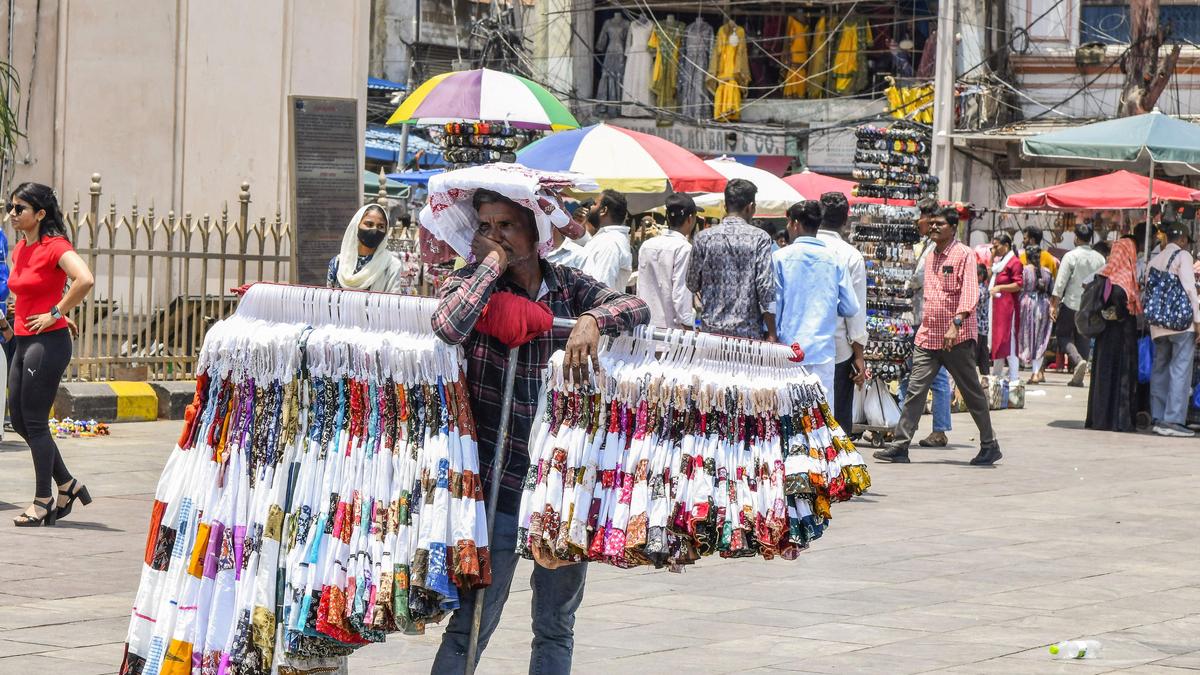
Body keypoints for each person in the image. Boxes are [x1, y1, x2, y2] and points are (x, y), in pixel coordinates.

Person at [431, 188, 650, 672]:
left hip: (560, 487)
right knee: (471, 625)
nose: (494, 236)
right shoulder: (470, 282)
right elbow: (448, 325)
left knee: (555, 625)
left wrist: (594, 318)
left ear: (537, 231)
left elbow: (636, 308)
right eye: (484, 227)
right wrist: (490, 267)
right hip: (498, 485)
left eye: (505, 226)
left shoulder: (571, 286)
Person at [874, 207, 1001, 465]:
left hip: (957, 338)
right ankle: (900, 445)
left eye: (939, 224)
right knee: (915, 391)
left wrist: (956, 324)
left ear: (953, 228)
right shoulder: (930, 255)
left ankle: (989, 444)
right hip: (928, 337)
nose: (933, 228)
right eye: (931, 224)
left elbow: (969, 293)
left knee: (972, 392)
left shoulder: (964, 254)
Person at [6, 183, 95, 526]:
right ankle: (68, 484)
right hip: (24, 340)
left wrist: (56, 313)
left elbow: (84, 279)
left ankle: (43, 500)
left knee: (36, 421)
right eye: (12, 208)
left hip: (48, 342)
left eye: (20, 209)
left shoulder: (54, 246)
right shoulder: (21, 251)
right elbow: (32, 290)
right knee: (18, 419)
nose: (12, 214)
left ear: (40, 214)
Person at [772, 200, 859, 395]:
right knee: (822, 419)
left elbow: (775, 306)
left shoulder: (780, 258)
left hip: (788, 351)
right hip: (823, 352)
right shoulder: (835, 258)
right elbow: (851, 307)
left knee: (790, 417)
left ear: (795, 223)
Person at [686, 178, 777, 339]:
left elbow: (692, 283)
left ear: (725, 206)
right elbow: (766, 289)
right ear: (750, 207)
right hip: (747, 334)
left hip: (711, 333)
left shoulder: (703, 238)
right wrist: (772, 331)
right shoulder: (760, 238)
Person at [814, 192, 867, 431]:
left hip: (797, 348)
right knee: (836, 424)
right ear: (845, 219)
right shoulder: (851, 256)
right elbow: (855, 312)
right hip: (837, 349)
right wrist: (859, 356)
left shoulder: (795, 252)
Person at [903, 197, 953, 448]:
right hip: (920, 316)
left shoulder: (937, 248)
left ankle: (940, 430)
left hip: (932, 319)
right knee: (909, 372)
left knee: (938, 377)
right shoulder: (926, 245)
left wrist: (904, 284)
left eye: (921, 219)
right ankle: (901, 425)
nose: (918, 223)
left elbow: (919, 277)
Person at [1147, 222, 1200, 437]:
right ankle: (1173, 420)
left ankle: (1158, 417)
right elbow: (1189, 288)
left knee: (1160, 369)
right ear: (1184, 240)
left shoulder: (1153, 260)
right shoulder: (1183, 256)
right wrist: (1198, 321)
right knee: (1180, 370)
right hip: (1181, 324)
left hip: (1158, 325)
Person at [1085, 236, 1142, 432]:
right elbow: (1121, 308)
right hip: (1121, 338)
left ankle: (1100, 418)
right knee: (1121, 378)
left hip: (1104, 337)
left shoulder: (1104, 275)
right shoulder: (1124, 279)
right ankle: (1118, 420)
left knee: (1103, 377)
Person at [1050, 222, 1106, 387]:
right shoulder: (1100, 258)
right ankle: (1079, 375)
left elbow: (1060, 282)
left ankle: (1078, 360)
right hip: (1091, 304)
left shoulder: (1071, 256)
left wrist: (1054, 303)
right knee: (1083, 337)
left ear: (1076, 238)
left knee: (1063, 335)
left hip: (1071, 302)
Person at [637, 193, 696, 330]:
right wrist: (687, 326)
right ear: (690, 219)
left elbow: (641, 287)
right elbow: (681, 293)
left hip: (645, 328)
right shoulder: (684, 249)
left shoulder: (647, 245)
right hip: (671, 333)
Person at [325, 204, 408, 292]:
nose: (375, 230)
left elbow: (392, 302)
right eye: (369, 224)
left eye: (380, 226)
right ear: (357, 225)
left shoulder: (391, 265)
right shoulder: (337, 263)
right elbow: (329, 300)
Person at [580, 189, 633, 289]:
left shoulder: (610, 243)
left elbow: (601, 288)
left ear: (603, 210)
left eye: (595, 204)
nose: (590, 207)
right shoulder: (607, 238)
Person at [989, 233, 1024, 382]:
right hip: (998, 308)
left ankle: (1014, 378)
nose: (994, 249)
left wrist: (1000, 287)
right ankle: (996, 376)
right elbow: (990, 272)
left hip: (1008, 309)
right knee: (998, 341)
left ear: (1006, 246)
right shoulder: (1000, 263)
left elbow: (1018, 284)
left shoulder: (1014, 262)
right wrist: (992, 256)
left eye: (996, 246)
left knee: (1009, 341)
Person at [1018, 245, 1054, 384]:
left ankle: (1026, 370)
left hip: (1027, 305)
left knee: (1027, 338)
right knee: (1040, 339)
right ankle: (1036, 372)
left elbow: (1019, 287)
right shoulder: (1047, 272)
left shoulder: (1024, 271)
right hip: (1044, 304)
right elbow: (1051, 290)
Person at [976, 263, 991, 374]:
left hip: (978, 327)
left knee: (977, 354)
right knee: (983, 355)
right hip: (983, 328)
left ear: (980, 276)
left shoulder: (980, 289)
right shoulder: (984, 288)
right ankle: (985, 377)